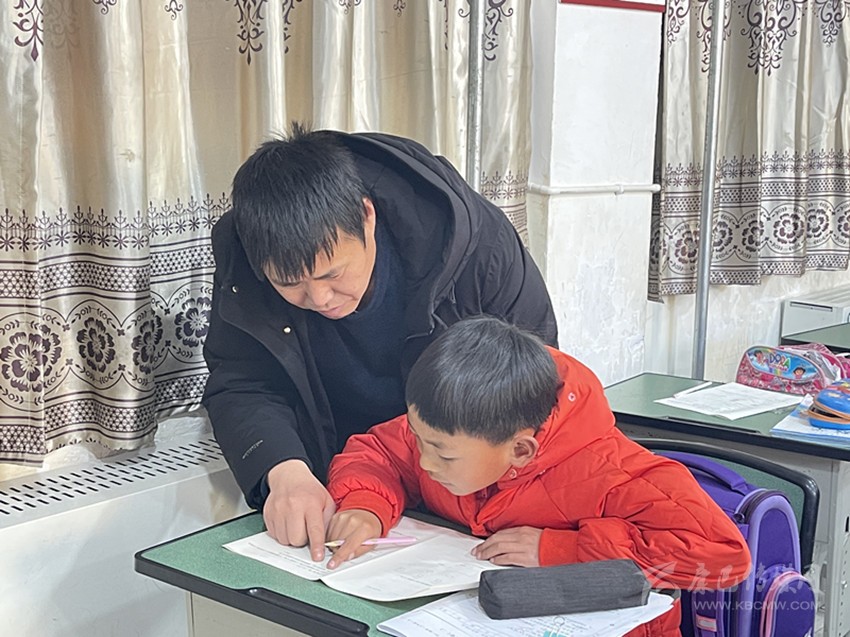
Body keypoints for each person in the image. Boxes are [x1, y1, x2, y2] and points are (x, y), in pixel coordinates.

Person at [202, 123, 557, 561]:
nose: (319, 299)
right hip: (351, 485)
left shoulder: (473, 245)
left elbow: (533, 381)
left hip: (470, 488)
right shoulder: (246, 253)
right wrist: (285, 471)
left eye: (332, 274)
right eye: (289, 284)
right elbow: (242, 381)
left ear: (367, 216)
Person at [325, 317, 751, 637]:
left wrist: (561, 549)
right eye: (420, 440)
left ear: (520, 451)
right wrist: (366, 505)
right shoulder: (453, 426)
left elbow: (724, 555)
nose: (424, 462)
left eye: (442, 454)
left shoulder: (614, 472)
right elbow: (381, 450)